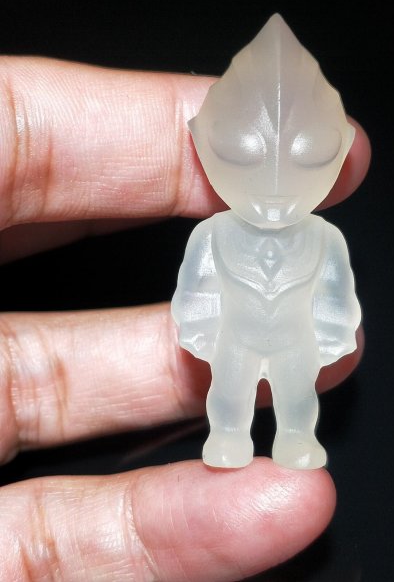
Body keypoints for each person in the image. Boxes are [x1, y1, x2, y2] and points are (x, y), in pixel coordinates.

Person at [0, 56, 370, 581]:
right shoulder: (213, 234)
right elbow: (197, 288)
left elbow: (334, 293)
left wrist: (333, 332)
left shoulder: (323, 238)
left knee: (297, 397)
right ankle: (228, 436)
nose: (272, 188)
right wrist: (199, 327)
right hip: (235, 338)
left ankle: (295, 437)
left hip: (295, 341)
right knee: (229, 394)